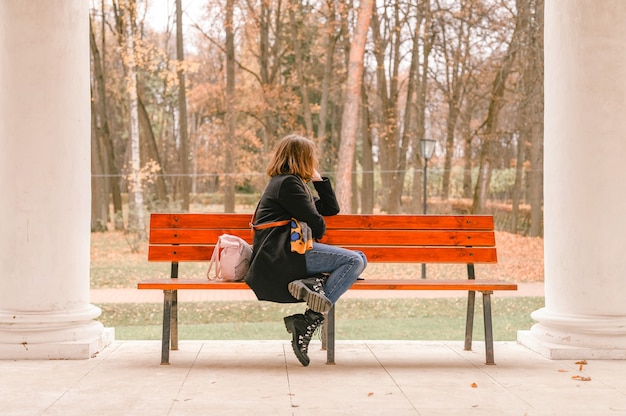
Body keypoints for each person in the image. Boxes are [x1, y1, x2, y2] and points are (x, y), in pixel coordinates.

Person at [245, 134, 367, 366]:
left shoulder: (288, 183)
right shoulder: (288, 184)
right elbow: (319, 226)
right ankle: (310, 316)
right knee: (353, 262)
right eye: (311, 158)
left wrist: (319, 181)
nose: (314, 162)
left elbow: (330, 209)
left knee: (360, 257)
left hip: (284, 253)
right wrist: (310, 213)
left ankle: (311, 298)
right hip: (282, 256)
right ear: (302, 158)